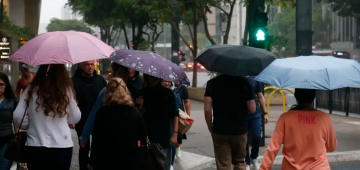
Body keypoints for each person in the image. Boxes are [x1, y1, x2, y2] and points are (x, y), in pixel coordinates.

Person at [13, 64, 81, 170]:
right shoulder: (66, 90)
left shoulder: (31, 89)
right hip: (62, 145)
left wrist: (29, 125)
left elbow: (18, 116)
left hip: (35, 144)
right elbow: (75, 117)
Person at [259, 88, 337, 170]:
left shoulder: (285, 118)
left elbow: (273, 148)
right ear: (314, 96)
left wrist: (264, 168)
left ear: (296, 96)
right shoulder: (324, 118)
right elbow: (332, 147)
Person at [89, 77, 146, 170]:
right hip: (131, 161)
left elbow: (96, 140)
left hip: (107, 161)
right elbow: (143, 136)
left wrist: (92, 161)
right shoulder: (135, 112)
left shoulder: (102, 113)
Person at [79, 63, 139, 148]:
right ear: (114, 74)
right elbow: (94, 113)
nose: (121, 77)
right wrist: (85, 136)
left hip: (129, 136)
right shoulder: (106, 91)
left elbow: (139, 115)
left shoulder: (133, 91)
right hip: (110, 136)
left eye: (124, 74)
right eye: (119, 73)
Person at [204, 74, 256, 170]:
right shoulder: (244, 83)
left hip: (220, 129)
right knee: (240, 161)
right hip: (239, 129)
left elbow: (207, 109)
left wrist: (210, 127)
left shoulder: (212, 83)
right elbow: (252, 109)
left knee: (223, 164)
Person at [71, 60, 107, 170]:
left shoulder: (100, 80)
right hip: (82, 119)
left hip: (98, 120)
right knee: (83, 148)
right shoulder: (74, 81)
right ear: (82, 66)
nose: (90, 67)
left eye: (92, 64)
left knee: (97, 147)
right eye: (87, 65)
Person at [140, 75, 179, 170]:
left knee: (164, 165)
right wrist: (139, 107)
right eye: (151, 76)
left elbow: (174, 115)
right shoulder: (141, 93)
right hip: (146, 137)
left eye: (156, 76)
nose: (153, 79)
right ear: (146, 77)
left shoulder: (168, 93)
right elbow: (137, 116)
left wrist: (175, 133)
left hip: (164, 136)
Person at [245, 76, 268, 170]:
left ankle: (254, 157)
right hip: (242, 114)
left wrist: (265, 113)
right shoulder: (238, 79)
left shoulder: (255, 80)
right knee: (244, 139)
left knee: (257, 136)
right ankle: (246, 162)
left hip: (255, 113)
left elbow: (260, 96)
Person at [0, 72, 17, 170]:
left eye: (1, 85)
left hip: (6, 140)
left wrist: (19, 139)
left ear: (6, 86)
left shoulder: (12, 102)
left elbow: (16, 123)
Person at [173, 81, 191, 158]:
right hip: (169, 113)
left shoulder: (182, 88)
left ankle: (177, 148)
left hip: (180, 114)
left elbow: (187, 101)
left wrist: (188, 115)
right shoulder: (167, 87)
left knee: (179, 133)